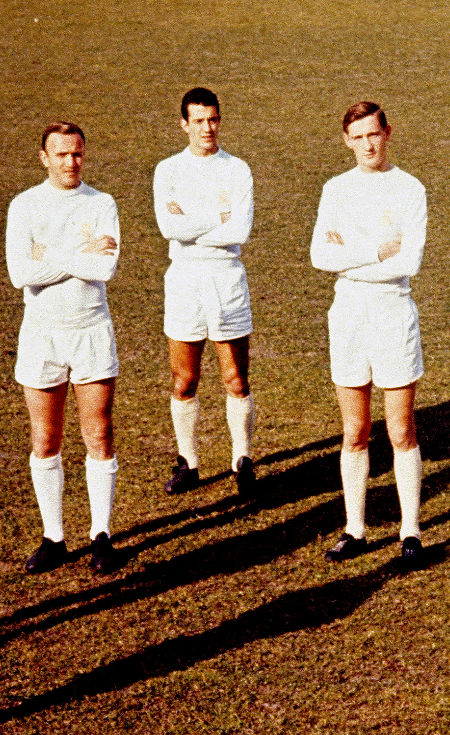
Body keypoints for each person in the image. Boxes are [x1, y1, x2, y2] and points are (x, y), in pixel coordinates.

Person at [310, 101, 426, 563]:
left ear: (388, 132)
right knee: (355, 430)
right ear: (346, 141)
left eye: (373, 134)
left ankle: (411, 529)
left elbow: (409, 261)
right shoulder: (335, 189)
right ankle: (354, 529)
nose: (367, 145)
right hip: (349, 314)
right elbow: (320, 256)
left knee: (400, 428)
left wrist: (353, 254)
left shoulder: (409, 188)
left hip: (393, 312)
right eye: (357, 137)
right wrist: (377, 251)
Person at [6, 122, 121, 574]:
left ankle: (101, 536)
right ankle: (54, 537)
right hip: (41, 335)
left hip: (92, 330)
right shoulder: (24, 205)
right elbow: (20, 273)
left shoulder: (103, 202)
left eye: (76, 153)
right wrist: (79, 251)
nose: (70, 162)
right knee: (46, 438)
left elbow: (106, 267)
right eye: (60, 154)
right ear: (44, 157)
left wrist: (48, 255)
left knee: (99, 435)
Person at [153, 87, 256, 498]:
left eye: (212, 119)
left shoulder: (237, 169)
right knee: (184, 379)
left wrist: (193, 219)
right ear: (184, 124)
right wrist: (217, 218)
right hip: (184, 281)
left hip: (226, 278)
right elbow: (169, 227)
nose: (207, 128)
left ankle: (242, 459)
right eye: (198, 121)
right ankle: (189, 462)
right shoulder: (167, 171)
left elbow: (240, 230)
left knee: (235, 377)